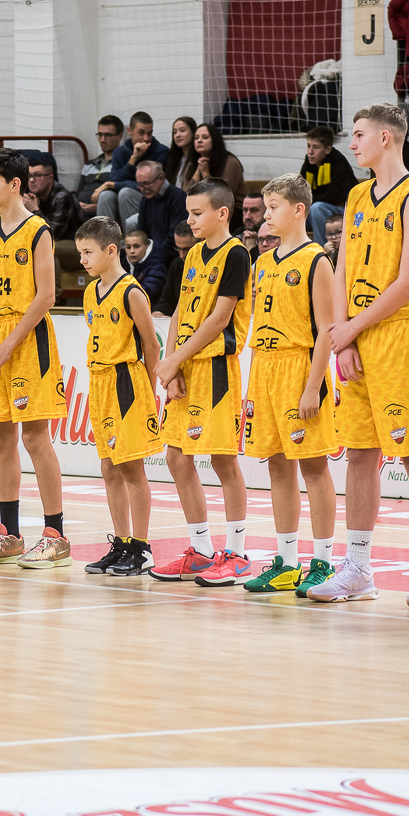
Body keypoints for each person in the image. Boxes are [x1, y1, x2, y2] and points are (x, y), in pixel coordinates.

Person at [310, 103, 409, 606]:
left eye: (358, 134)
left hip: (399, 334)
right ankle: (357, 568)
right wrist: (344, 336)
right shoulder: (355, 195)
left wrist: (352, 327)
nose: (351, 143)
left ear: (386, 138)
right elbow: (343, 269)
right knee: (359, 453)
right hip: (357, 336)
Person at [235, 174, 340, 597]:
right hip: (264, 368)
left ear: (299, 210)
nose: (266, 215)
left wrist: (313, 387)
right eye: (265, 207)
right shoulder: (261, 263)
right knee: (276, 466)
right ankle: (286, 561)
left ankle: (324, 562)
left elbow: (326, 330)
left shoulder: (317, 260)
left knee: (313, 467)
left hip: (300, 367)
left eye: (273, 207)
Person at [0, 149, 70, 568]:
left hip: (28, 342)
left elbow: (46, 296)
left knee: (35, 438)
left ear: (14, 185)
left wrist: (6, 347)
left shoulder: (37, 230)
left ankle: (55, 535)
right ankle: (8, 534)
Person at [151, 178, 252, 586]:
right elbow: (180, 311)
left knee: (223, 460)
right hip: (186, 365)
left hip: (215, 369)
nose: (190, 220)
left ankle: (238, 553)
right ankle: (201, 550)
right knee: (177, 458)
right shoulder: (192, 254)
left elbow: (219, 318)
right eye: (188, 212)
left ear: (222, 213)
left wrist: (176, 358)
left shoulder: (236, 253)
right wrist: (172, 362)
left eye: (197, 213)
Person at [76, 216, 162, 576]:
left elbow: (152, 346)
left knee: (131, 467)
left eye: (88, 252)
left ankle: (141, 549)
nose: (82, 259)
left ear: (111, 251)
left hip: (127, 383)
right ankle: (122, 543)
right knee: (109, 467)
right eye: (80, 252)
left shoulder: (131, 292)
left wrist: (151, 393)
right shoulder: (90, 292)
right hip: (99, 382)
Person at [96, 111, 169, 229]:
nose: (146, 138)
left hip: (152, 199)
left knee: (126, 193)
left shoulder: (161, 151)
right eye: (141, 133)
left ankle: (133, 238)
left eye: (149, 133)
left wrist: (114, 185)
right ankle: (106, 239)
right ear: (130, 131)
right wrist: (133, 159)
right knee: (105, 195)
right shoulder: (119, 151)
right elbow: (114, 179)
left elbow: (150, 185)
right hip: (126, 195)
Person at [27, 155, 86, 272]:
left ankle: (52, 285)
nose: (32, 180)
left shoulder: (62, 197)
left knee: (45, 248)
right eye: (29, 176)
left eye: (37, 175)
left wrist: (35, 210)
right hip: (56, 244)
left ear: (50, 178)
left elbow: (52, 235)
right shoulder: (30, 198)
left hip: (79, 247)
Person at [301, 125, 357, 243]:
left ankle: (323, 250)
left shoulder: (337, 161)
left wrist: (310, 199)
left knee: (317, 208)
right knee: (292, 212)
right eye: (308, 146)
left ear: (327, 149)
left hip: (344, 210)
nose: (310, 152)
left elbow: (335, 197)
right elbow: (301, 191)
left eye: (316, 147)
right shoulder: (308, 163)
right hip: (318, 207)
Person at [153, 222, 197, 317]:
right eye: (178, 249)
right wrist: (158, 313)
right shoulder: (177, 264)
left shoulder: (213, 265)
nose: (181, 255)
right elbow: (167, 298)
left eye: (187, 249)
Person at [188, 123, 245, 194]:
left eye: (205, 137)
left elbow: (222, 195)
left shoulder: (230, 162)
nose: (199, 141)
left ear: (215, 140)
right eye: (196, 138)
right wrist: (198, 169)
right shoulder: (192, 163)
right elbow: (186, 195)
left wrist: (205, 173)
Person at [81, 115, 123, 208]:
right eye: (100, 135)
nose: (102, 140)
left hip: (102, 210)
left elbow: (120, 199)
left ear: (120, 136)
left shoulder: (122, 165)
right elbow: (79, 193)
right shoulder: (89, 165)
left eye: (108, 135)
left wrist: (95, 207)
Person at [122, 229, 165, 300]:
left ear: (146, 246)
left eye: (136, 246)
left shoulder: (157, 267)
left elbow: (148, 292)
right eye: (128, 247)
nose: (132, 251)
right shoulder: (123, 263)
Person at [163, 115, 200, 190]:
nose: (178, 135)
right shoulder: (172, 159)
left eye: (182, 131)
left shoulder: (199, 159)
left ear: (193, 132)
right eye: (175, 132)